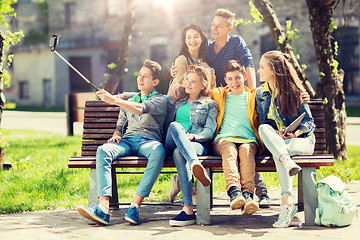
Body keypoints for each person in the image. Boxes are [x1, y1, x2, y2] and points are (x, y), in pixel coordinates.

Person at [77, 60, 169, 226]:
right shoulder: (131, 98)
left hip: (149, 141)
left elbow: (140, 108)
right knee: (103, 150)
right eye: (139, 75)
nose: (140, 79)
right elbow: (121, 123)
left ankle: (134, 206)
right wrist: (117, 134)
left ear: (155, 82)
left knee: (158, 152)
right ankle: (103, 208)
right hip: (127, 140)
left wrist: (114, 100)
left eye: (146, 77)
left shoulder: (160, 100)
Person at [256, 50, 316, 228]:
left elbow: (309, 122)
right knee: (263, 128)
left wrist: (294, 133)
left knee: (281, 150)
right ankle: (287, 201)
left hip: (302, 140)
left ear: (273, 70)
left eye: (262, 67)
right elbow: (264, 122)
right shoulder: (261, 94)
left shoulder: (295, 91)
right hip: (279, 141)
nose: (258, 71)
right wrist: (276, 132)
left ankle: (287, 204)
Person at [167, 65, 218, 226]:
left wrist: (195, 136)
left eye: (193, 81)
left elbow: (209, 131)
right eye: (187, 79)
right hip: (171, 140)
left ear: (203, 85)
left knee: (178, 153)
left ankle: (187, 210)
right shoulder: (176, 102)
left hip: (196, 144)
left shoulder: (210, 105)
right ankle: (195, 163)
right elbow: (151, 97)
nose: (188, 83)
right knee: (175, 126)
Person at [211, 60, 261, 215]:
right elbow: (199, 87)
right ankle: (234, 193)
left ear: (245, 77)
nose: (234, 82)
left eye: (238, 77)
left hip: (248, 139)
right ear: (225, 80)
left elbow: (275, 92)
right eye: (230, 79)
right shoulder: (219, 95)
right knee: (229, 150)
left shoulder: (253, 96)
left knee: (246, 151)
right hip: (224, 138)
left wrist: (303, 95)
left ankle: (248, 195)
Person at [207, 8, 256, 89]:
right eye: (213, 24)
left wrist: (253, 93)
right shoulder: (207, 48)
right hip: (213, 97)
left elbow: (249, 65)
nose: (214, 28)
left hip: (234, 94)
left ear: (229, 29)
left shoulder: (236, 42)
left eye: (219, 26)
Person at [167, 24, 216, 101]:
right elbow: (179, 90)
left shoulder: (204, 61)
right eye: (189, 37)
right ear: (185, 41)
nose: (192, 40)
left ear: (202, 39)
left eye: (196, 37)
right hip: (180, 107)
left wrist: (209, 71)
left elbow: (212, 89)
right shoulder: (182, 60)